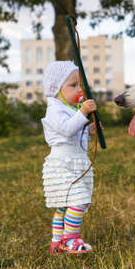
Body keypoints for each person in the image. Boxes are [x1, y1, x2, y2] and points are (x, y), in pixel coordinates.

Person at [41, 60, 97, 254]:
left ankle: (57, 241)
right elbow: (66, 130)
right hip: (63, 165)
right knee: (78, 200)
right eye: (73, 85)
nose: (79, 89)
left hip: (74, 162)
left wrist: (88, 130)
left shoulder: (69, 109)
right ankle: (70, 239)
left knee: (65, 205)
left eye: (79, 84)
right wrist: (83, 113)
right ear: (56, 89)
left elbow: (75, 132)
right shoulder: (55, 109)